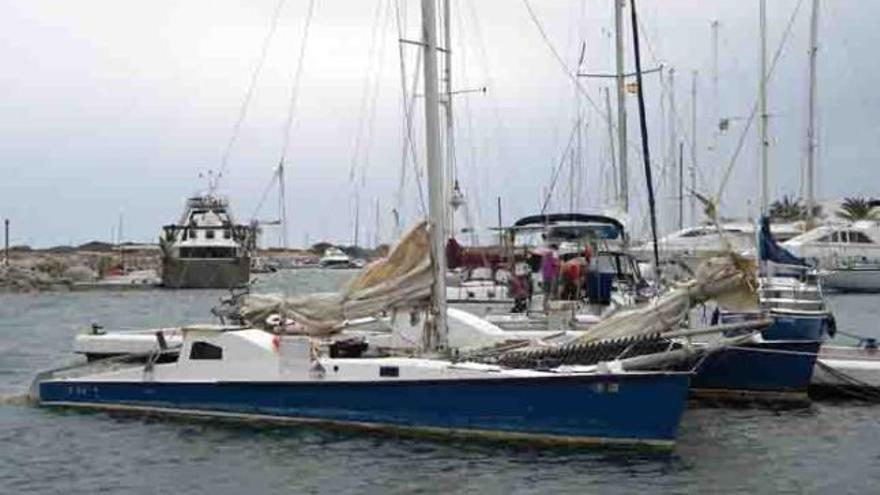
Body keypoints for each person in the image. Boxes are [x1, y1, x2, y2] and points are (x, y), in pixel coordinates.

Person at [541, 244, 560, 311]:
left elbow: (543, 267)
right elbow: (556, 264)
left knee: (546, 293)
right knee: (551, 293)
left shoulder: (545, 257)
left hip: (545, 276)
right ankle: (549, 308)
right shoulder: (553, 256)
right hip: (551, 276)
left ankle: (545, 308)